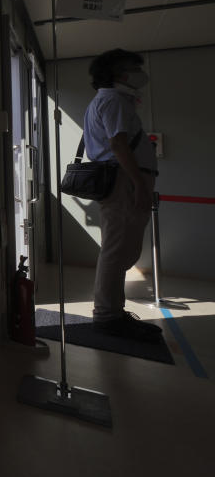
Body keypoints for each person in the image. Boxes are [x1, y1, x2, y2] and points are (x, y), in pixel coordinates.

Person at [82, 48, 161, 342]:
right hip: (124, 181)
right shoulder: (114, 100)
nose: (139, 73)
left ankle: (112, 312)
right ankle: (107, 316)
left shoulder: (108, 100)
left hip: (122, 180)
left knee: (120, 249)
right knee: (117, 251)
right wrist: (139, 183)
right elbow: (118, 145)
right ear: (118, 73)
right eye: (133, 67)